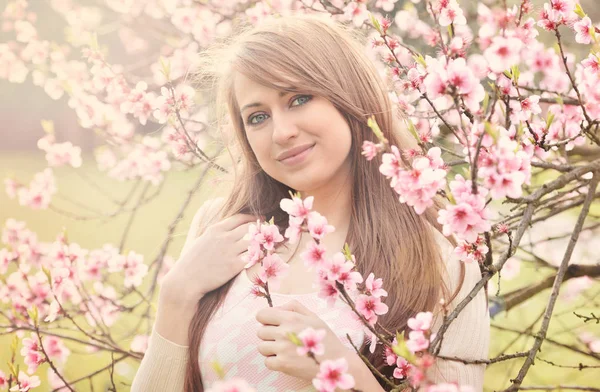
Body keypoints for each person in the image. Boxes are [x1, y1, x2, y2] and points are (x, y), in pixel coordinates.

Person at [131, 14, 489, 392]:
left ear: (349, 96)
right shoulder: (221, 229)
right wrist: (176, 296)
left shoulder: (441, 252)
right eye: (258, 117)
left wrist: (344, 373)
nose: (282, 132)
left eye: (299, 99)